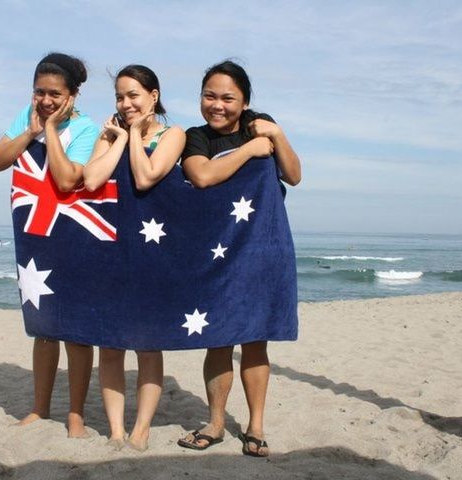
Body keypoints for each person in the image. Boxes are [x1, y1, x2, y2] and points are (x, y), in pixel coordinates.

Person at [176, 60, 301, 457]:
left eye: (228, 98)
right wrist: (250, 149)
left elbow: (294, 175)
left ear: (245, 101)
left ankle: (256, 427)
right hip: (215, 253)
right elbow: (202, 177)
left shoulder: (260, 123)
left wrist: (277, 135)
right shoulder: (195, 137)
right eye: (209, 96)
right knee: (216, 338)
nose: (218, 105)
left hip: (262, 249)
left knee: (255, 341)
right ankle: (215, 423)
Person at [0, 52, 99, 438]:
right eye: (39, 91)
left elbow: (69, 180)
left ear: (73, 95)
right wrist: (29, 132)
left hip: (73, 233)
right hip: (36, 235)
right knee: (44, 325)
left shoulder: (87, 129)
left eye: (55, 93)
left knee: (77, 329)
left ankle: (76, 414)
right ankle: (39, 407)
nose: (46, 100)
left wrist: (50, 129)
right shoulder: (27, 116)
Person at [84, 65, 185, 451]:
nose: (125, 103)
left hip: (153, 253)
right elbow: (92, 180)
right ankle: (115, 430)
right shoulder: (111, 134)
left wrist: (134, 137)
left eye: (133, 96)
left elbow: (146, 177)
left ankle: (141, 431)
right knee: (109, 344)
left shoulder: (173, 134)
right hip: (111, 248)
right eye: (119, 97)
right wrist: (118, 138)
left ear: (153, 97)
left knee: (147, 344)